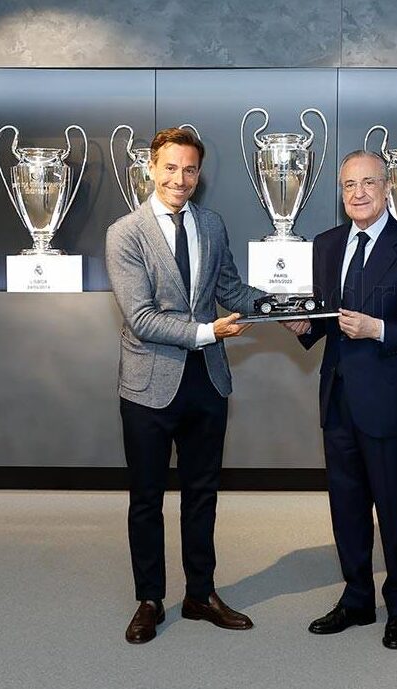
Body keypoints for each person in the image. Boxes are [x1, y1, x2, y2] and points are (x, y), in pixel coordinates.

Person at [105, 127, 265, 644]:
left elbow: (230, 289)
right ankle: (149, 600)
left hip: (207, 382)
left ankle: (200, 594)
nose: (180, 178)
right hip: (149, 384)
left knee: (202, 494)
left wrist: (286, 310)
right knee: (146, 499)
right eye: (171, 168)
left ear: (199, 174)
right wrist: (208, 332)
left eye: (190, 169)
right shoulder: (125, 234)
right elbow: (141, 318)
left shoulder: (212, 225)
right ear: (151, 168)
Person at [283, 150, 397, 650]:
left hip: (390, 404)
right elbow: (328, 316)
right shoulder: (327, 244)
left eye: (368, 183)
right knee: (347, 508)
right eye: (349, 185)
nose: (358, 193)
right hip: (337, 399)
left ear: (387, 186)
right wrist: (305, 326)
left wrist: (378, 329)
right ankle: (356, 599)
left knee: (395, 511)